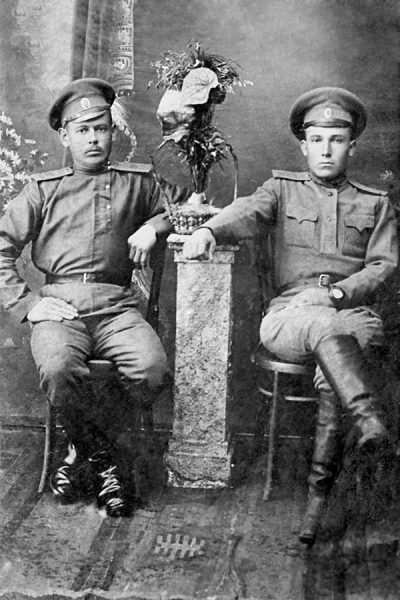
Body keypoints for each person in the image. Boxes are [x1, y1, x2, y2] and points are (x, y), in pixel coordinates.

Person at [182, 87, 399, 545]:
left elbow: (384, 265)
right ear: (303, 145)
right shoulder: (281, 189)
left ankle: (316, 504)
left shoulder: (375, 202)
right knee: (329, 332)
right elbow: (245, 212)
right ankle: (369, 423)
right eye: (317, 140)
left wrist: (337, 292)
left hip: (350, 310)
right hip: (290, 314)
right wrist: (208, 229)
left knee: (336, 359)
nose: (326, 149)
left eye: (336, 140)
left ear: (352, 146)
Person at [0, 78, 188, 517]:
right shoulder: (44, 189)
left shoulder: (136, 183)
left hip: (116, 305)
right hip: (60, 305)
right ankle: (108, 464)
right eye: (82, 130)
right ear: (64, 136)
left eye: (100, 129)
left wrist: (153, 227)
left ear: (113, 133)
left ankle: (77, 451)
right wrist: (29, 304)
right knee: (58, 367)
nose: (93, 139)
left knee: (152, 370)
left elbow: (180, 207)